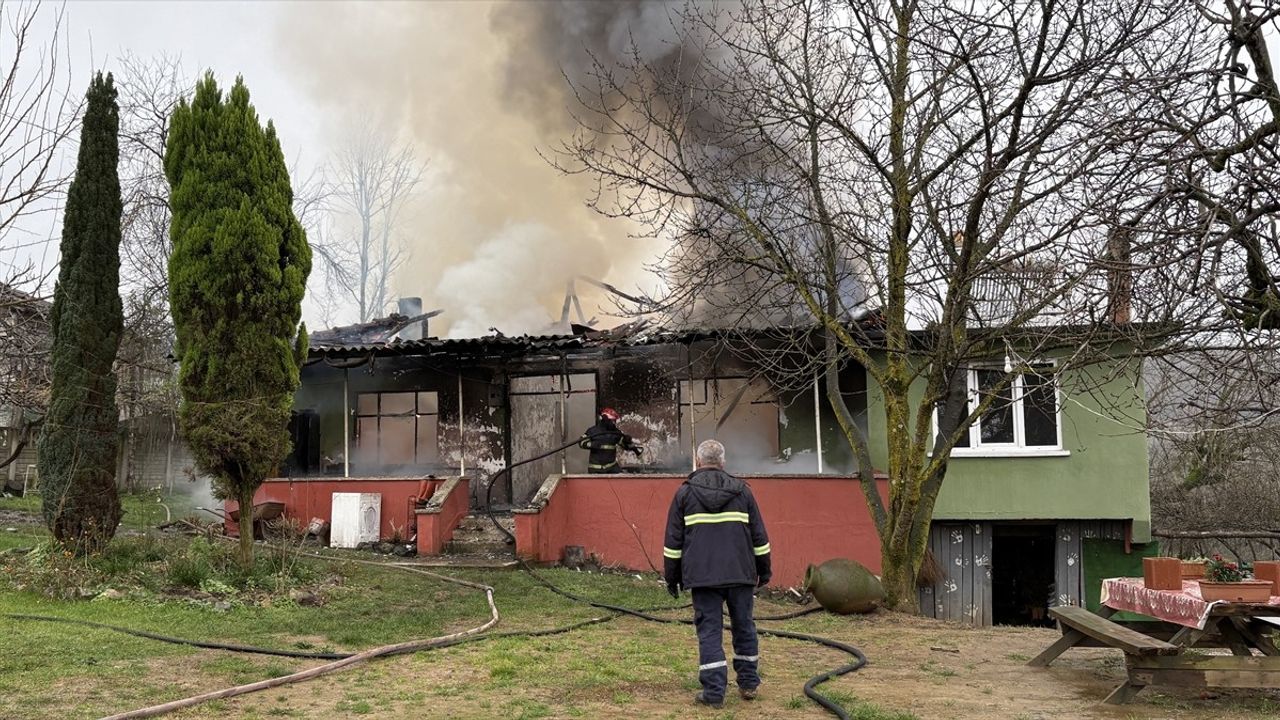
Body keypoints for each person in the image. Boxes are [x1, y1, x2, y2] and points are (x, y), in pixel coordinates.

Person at [662, 439, 771, 709]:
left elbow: (673, 542)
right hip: (740, 574)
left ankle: (713, 693)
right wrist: (764, 571)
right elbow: (760, 537)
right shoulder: (743, 492)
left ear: (698, 462)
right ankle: (748, 684)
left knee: (709, 631)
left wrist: (672, 577)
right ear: (723, 462)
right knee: (744, 626)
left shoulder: (684, 494)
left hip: (703, 577)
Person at [577, 407, 642, 473]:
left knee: (622, 479)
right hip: (596, 469)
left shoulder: (615, 432)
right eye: (612, 421)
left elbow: (625, 446)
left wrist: (626, 441)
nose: (614, 423)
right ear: (605, 420)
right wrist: (592, 445)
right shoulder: (593, 431)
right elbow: (581, 442)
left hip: (611, 467)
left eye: (614, 421)